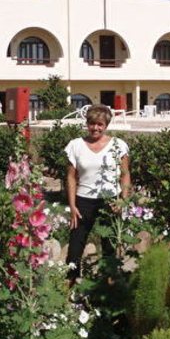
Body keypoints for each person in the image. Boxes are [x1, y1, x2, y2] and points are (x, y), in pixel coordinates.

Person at [64, 104, 131, 282]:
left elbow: (125, 174)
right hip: (83, 201)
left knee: (109, 246)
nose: (95, 128)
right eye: (92, 123)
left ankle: (107, 287)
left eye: (100, 124)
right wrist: (72, 205)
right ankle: (69, 285)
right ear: (87, 123)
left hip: (110, 201)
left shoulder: (118, 145)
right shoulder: (75, 145)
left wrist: (122, 201)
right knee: (75, 246)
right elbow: (71, 177)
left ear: (106, 125)